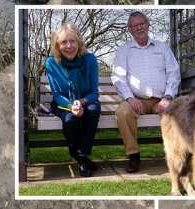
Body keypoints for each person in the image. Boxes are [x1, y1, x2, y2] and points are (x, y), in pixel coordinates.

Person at [111, 11, 181, 172]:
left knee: (177, 112)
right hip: (135, 99)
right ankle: (133, 155)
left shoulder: (162, 48)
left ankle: (177, 156)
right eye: (134, 26)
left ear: (148, 25)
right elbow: (118, 77)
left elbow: (174, 73)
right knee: (122, 112)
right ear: (130, 30)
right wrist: (129, 98)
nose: (139, 28)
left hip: (161, 99)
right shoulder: (124, 50)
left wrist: (168, 97)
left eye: (141, 23)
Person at [44, 23, 101, 177]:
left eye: (72, 41)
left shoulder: (90, 60)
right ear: (57, 45)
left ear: (79, 43)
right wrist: (71, 105)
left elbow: (94, 92)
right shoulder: (51, 62)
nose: (69, 46)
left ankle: (81, 155)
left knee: (93, 111)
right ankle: (81, 159)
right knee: (70, 119)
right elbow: (56, 94)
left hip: (87, 100)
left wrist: (81, 102)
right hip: (63, 103)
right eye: (64, 42)